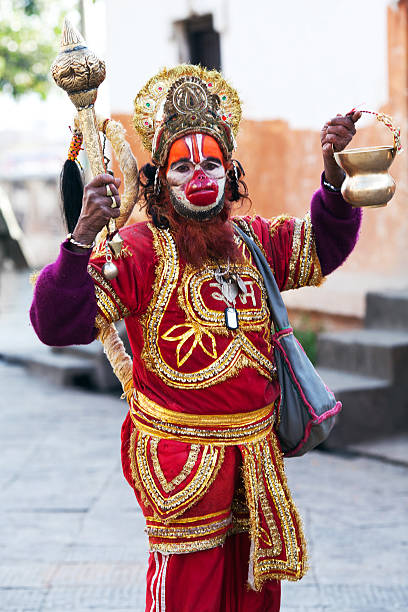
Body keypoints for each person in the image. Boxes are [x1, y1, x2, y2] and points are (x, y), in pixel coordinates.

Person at [30, 65, 362, 612]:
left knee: (255, 600)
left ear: (230, 174)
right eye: (183, 166)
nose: (199, 176)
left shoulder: (254, 242)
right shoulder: (137, 251)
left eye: (211, 163)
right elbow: (54, 323)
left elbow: (322, 246)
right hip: (182, 467)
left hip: (257, 464)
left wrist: (332, 179)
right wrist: (84, 236)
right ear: (160, 179)